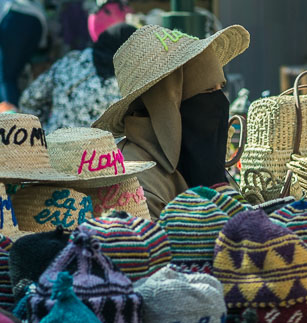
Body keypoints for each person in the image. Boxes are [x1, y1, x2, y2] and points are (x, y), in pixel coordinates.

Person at [92, 24, 250, 217]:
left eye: (220, 89)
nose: (220, 103)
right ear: (166, 106)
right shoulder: (134, 182)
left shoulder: (200, 157)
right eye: (208, 91)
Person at [20, 22, 137, 132]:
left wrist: (42, 133)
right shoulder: (131, 82)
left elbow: (29, 100)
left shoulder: (71, 61)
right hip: (101, 152)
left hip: (54, 146)